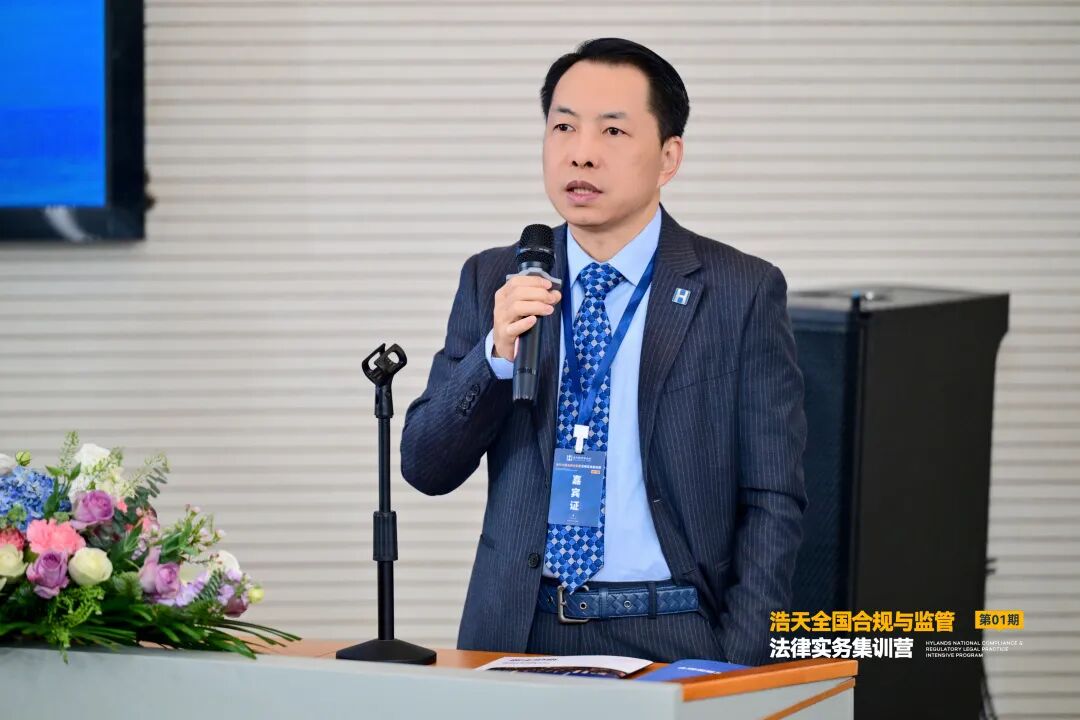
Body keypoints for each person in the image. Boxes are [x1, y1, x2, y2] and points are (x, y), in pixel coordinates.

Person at [400, 38, 807, 666]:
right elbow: (426, 468)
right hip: (517, 630)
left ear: (668, 157)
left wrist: (739, 658)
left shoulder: (740, 290)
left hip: (674, 630)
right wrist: (495, 355)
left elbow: (772, 498)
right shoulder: (495, 279)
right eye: (563, 126)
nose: (581, 152)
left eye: (612, 131)